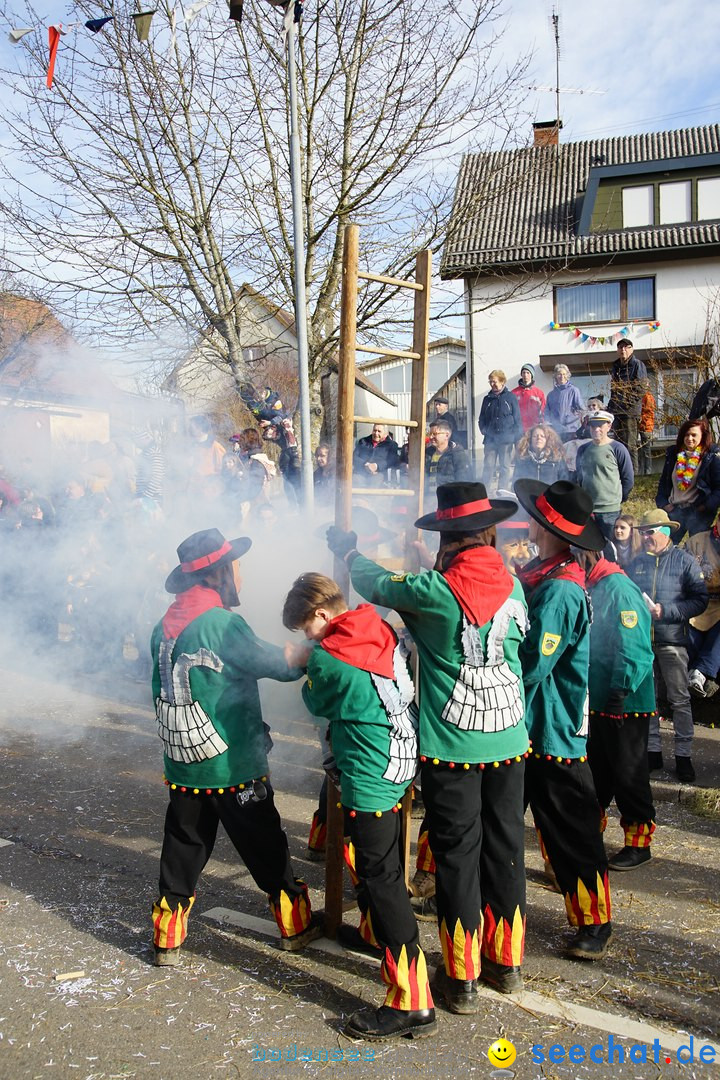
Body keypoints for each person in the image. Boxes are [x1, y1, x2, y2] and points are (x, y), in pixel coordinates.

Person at [328, 482, 530, 1011]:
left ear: (448, 538)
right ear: (487, 534)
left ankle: (461, 976)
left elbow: (374, 580)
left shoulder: (432, 590)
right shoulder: (515, 586)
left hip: (454, 745)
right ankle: (506, 964)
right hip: (510, 737)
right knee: (505, 850)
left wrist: (348, 551)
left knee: (458, 859)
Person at [150, 528, 319, 964]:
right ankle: (295, 925)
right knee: (265, 845)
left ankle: (167, 937)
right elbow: (277, 666)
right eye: (237, 566)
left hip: (185, 765)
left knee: (183, 847)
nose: (241, 573)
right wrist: (315, 647)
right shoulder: (222, 624)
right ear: (221, 573)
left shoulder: (161, 626)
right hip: (233, 765)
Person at [283, 573, 434, 1042]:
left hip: (368, 769)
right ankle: (377, 939)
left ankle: (412, 1001)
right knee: (387, 863)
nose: (306, 636)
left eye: (305, 627)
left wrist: (307, 663)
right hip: (401, 755)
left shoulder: (327, 658)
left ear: (322, 616)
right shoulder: (376, 623)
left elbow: (315, 701)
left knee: (381, 879)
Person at [514, 479, 613, 959]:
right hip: (532, 725)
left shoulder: (560, 590)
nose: (528, 521)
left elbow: (533, 663)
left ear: (548, 528)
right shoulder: (539, 572)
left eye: (535, 516)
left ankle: (594, 923)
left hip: (552, 729)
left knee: (572, 832)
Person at [581, 550, 657, 871]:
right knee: (597, 771)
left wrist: (619, 690)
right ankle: (589, 833)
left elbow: (635, 646)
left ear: (587, 556)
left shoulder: (619, 589)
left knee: (628, 773)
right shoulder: (594, 585)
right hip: (600, 700)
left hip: (626, 703)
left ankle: (639, 843)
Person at [627, 510, 708, 784]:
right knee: (647, 701)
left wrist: (667, 611)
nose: (645, 537)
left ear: (665, 532)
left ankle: (683, 756)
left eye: (649, 532)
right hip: (643, 643)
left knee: (679, 700)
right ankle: (653, 752)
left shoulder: (684, 561)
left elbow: (700, 601)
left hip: (673, 641)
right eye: (642, 532)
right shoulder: (636, 563)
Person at [655, 418, 720, 540]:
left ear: (703, 436)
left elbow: (718, 489)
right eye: (686, 435)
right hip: (674, 511)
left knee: (695, 550)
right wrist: (664, 504)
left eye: (694, 435)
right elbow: (663, 484)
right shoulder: (674, 455)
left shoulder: (711, 457)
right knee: (667, 547)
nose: (689, 439)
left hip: (698, 512)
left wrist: (705, 506)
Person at [575, 410, 634, 540]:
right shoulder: (582, 450)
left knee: (610, 548)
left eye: (600, 425)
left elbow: (628, 479)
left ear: (609, 426)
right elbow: (579, 478)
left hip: (610, 511)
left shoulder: (618, 448)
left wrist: (616, 499)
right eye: (593, 426)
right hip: (588, 510)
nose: (596, 429)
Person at [685, 518, 720, 698]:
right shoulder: (697, 541)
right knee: (689, 632)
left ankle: (701, 672)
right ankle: (699, 673)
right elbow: (683, 571)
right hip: (698, 599)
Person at [478, 370, 523, 492]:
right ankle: (485, 491)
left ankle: (502, 490)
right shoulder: (487, 399)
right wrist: (484, 430)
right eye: (491, 382)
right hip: (490, 440)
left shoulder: (510, 397)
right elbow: (481, 418)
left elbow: (517, 419)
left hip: (506, 439)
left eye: (495, 381)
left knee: (505, 467)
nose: (493, 384)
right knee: (488, 466)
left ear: (502, 382)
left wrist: (518, 438)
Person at [608, 339, 647, 473]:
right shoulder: (615, 367)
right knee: (618, 445)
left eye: (626, 347)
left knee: (630, 445)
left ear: (631, 349)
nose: (623, 350)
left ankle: (633, 476)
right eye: (620, 347)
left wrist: (625, 403)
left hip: (630, 412)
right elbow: (613, 391)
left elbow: (640, 389)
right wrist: (609, 410)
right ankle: (620, 474)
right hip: (616, 412)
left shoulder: (637, 365)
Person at [261, 417, 302, 504]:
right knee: (287, 480)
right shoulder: (277, 433)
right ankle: (294, 504)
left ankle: (300, 501)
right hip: (287, 453)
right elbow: (267, 435)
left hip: (293, 452)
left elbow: (284, 419)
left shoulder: (283, 423)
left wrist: (270, 422)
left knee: (296, 477)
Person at [424, 420, 470, 496]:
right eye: (430, 434)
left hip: (449, 501)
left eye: (435, 434)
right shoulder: (427, 454)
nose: (431, 437)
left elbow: (463, 482)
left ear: (447, 435)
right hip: (429, 501)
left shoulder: (458, 454)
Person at [545, 365, 584, 442]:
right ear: (555, 376)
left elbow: (581, 409)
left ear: (567, 375)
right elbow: (547, 413)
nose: (562, 376)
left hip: (571, 430)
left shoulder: (574, 390)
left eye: (564, 374)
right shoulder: (551, 394)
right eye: (559, 374)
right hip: (556, 432)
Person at [511, 364, 546, 431]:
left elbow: (543, 411)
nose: (525, 375)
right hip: (519, 429)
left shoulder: (539, 393)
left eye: (528, 373)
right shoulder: (514, 393)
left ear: (532, 375)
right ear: (521, 374)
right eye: (523, 373)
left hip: (534, 428)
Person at [638, 381, 656, 476]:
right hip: (641, 425)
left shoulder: (647, 397)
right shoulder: (641, 396)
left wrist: (640, 418)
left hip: (646, 426)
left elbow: (648, 413)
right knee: (641, 450)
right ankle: (641, 472)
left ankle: (647, 472)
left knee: (646, 450)